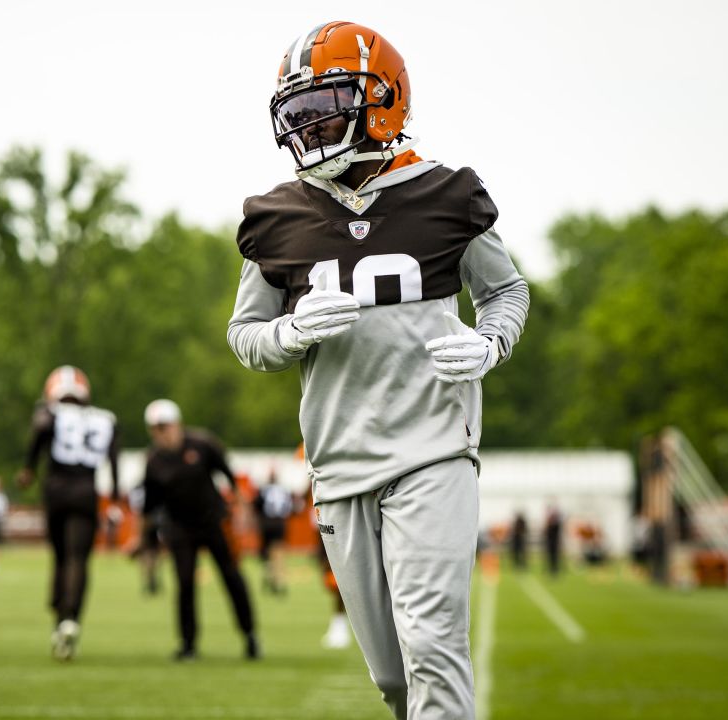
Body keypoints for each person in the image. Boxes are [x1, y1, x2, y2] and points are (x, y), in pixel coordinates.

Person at [226, 21, 529, 720]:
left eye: (326, 104)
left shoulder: (449, 195)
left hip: (433, 452)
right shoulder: (277, 218)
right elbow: (245, 336)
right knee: (394, 678)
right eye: (298, 112)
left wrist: (491, 343)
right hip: (339, 466)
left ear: (383, 100)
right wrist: (290, 332)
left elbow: (505, 291)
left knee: (433, 649)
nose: (310, 126)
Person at [139, 398, 258, 662]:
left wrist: (243, 511)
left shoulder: (202, 444)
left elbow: (230, 475)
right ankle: (188, 643)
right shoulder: (153, 461)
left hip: (213, 521)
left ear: (177, 424)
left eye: (165, 426)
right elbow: (149, 506)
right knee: (184, 584)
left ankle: (250, 635)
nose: (162, 433)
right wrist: (140, 539)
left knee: (232, 577)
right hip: (179, 527)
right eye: (156, 428)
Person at [18, 365, 120, 661]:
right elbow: (113, 461)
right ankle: (71, 618)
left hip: (56, 491)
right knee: (79, 558)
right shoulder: (105, 419)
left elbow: (39, 431)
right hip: (86, 492)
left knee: (60, 557)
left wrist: (28, 468)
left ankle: (58, 614)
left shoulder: (48, 413)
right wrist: (113, 498)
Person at [252, 469, 296, 595]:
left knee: (266, 553)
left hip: (266, 523)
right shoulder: (284, 490)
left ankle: (269, 576)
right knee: (278, 552)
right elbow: (289, 507)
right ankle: (278, 580)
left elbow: (256, 505)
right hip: (279, 523)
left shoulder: (264, 490)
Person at [544, 504, 564, 578]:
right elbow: (546, 532)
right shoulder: (549, 525)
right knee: (549, 557)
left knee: (555, 558)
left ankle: (555, 570)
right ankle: (550, 569)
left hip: (555, 543)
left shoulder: (556, 525)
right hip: (550, 543)